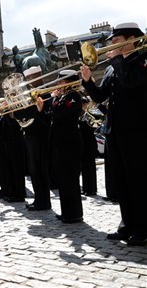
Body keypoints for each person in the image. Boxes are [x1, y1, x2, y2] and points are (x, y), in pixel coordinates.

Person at [80, 22, 147, 245]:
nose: (111, 46)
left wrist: (117, 60)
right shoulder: (110, 67)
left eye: (116, 41)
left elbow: (130, 82)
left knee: (137, 181)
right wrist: (88, 81)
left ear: (132, 39)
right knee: (122, 181)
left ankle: (142, 228)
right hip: (114, 131)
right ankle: (126, 224)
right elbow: (100, 97)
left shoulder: (142, 60)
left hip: (137, 130)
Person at [15, 66, 52, 211]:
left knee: (41, 170)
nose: (30, 82)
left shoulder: (46, 92)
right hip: (30, 135)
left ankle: (44, 201)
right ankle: (39, 199)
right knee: (34, 170)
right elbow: (20, 114)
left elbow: (47, 116)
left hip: (41, 135)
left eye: (33, 78)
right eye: (29, 79)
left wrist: (37, 110)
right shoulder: (28, 94)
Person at [50, 70, 83, 223]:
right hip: (61, 142)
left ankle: (74, 213)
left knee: (70, 179)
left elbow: (58, 112)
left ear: (69, 82)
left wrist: (54, 99)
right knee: (63, 179)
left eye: (61, 81)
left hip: (69, 142)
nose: (59, 84)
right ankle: (66, 211)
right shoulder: (64, 96)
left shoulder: (74, 96)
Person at [78, 96, 98, 196]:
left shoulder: (91, 114)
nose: (82, 106)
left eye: (83, 104)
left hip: (89, 143)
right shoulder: (80, 115)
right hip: (83, 143)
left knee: (90, 167)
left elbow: (93, 126)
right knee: (85, 167)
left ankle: (91, 189)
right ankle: (86, 188)